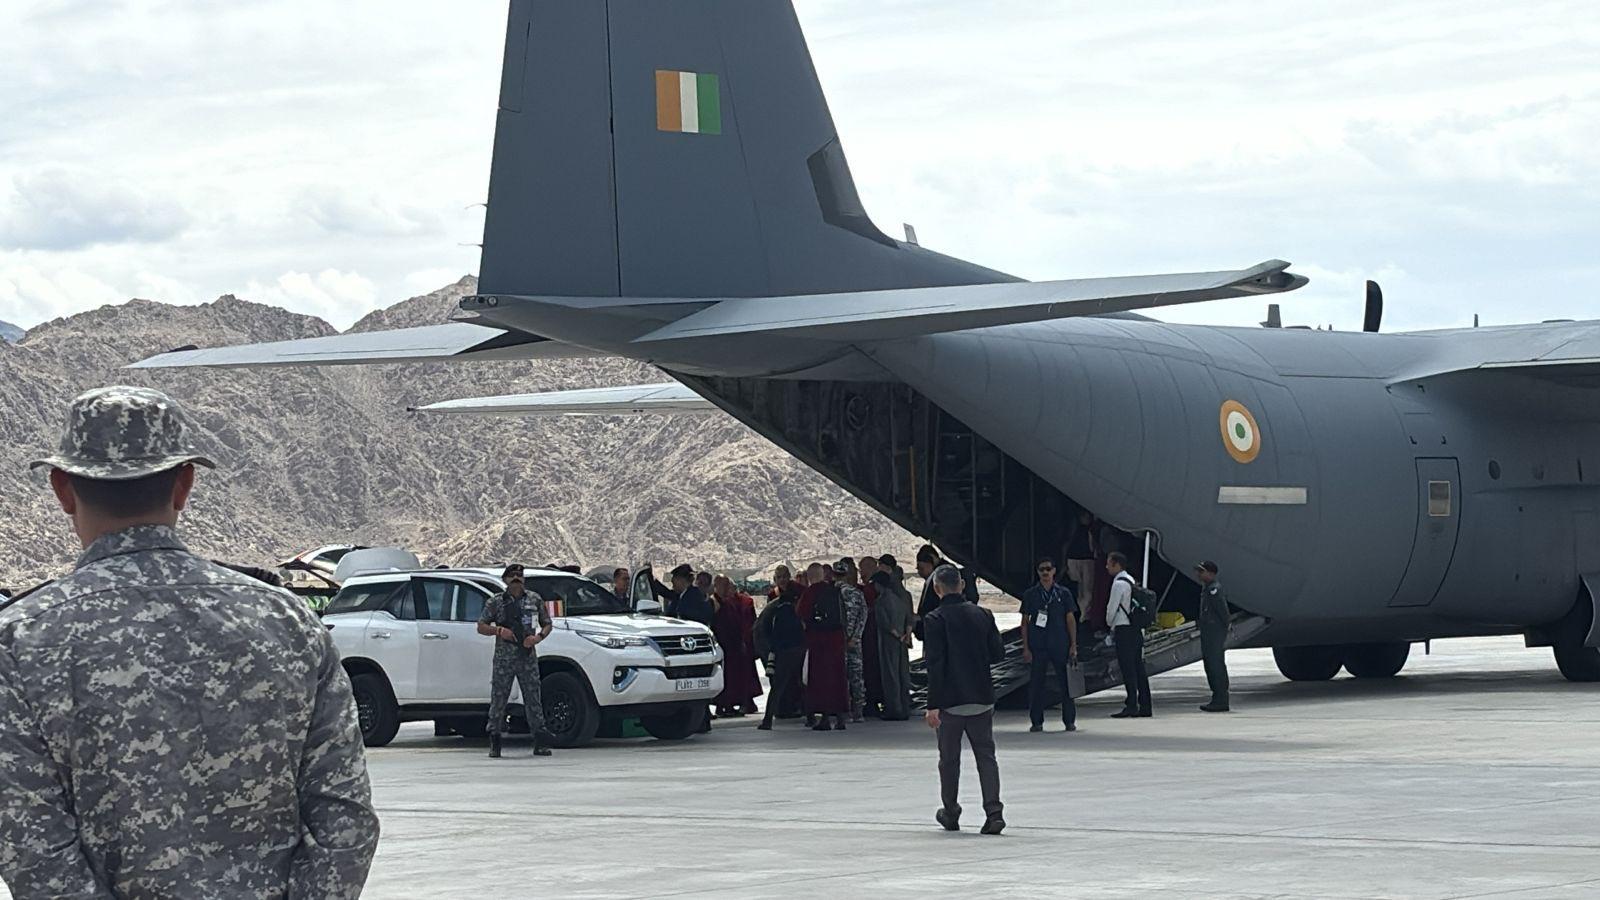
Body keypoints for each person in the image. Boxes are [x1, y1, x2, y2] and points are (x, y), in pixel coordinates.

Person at [0, 386, 378, 897]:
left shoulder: (22, 639)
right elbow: (345, 821)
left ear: (62, 489)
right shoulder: (286, 620)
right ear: (185, 485)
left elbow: (32, 846)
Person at [923, 565, 1005, 835]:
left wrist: (932, 704)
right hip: (982, 697)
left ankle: (951, 810)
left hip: (950, 701)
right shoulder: (984, 614)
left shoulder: (935, 619)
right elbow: (997, 654)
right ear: (960, 585)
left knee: (949, 759)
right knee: (986, 756)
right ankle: (994, 813)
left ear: (937, 589)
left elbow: (934, 664)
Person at [478, 563, 555, 757]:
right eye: (512, 578)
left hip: (527, 655)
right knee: (499, 698)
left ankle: (540, 739)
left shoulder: (534, 599)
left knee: (533, 698)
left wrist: (537, 638)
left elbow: (547, 624)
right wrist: (498, 630)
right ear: (505, 580)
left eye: (519, 578)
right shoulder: (496, 602)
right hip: (505, 657)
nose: (516, 581)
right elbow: (481, 626)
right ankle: (494, 738)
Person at [1021, 556, 1080, 733]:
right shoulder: (1031, 595)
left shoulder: (1063, 594)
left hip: (1059, 643)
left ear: (1054, 571)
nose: (1045, 572)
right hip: (1038, 644)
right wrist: (1025, 647)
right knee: (1037, 684)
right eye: (1042, 569)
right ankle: (1036, 721)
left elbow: (1070, 619)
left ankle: (1069, 720)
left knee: (1065, 683)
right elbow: (1025, 621)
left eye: (1048, 569)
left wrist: (1073, 645)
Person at [796, 562, 849, 730]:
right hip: (837, 639)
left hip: (819, 640)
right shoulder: (835, 591)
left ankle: (825, 718)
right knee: (838, 677)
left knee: (821, 679)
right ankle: (840, 718)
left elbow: (801, 613)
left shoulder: (811, 592)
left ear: (810, 577)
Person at [1106, 551, 1153, 718]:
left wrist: (1109, 624)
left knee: (1127, 669)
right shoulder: (1131, 580)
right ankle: (1145, 704)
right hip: (1135, 628)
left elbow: (1112, 609)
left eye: (1109, 563)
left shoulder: (1118, 584)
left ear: (1117, 565)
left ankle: (1132, 704)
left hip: (1123, 629)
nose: (1106, 566)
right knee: (1138, 668)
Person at [758, 574, 807, 731]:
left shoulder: (776, 609)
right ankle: (811, 716)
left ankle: (767, 720)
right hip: (795, 650)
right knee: (802, 683)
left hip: (783, 651)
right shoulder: (792, 610)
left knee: (778, 687)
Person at [711, 575, 762, 717]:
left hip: (734, 646)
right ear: (717, 586)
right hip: (722, 646)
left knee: (735, 677)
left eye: (729, 586)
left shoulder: (730, 603)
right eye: (724, 586)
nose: (728, 589)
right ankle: (723, 705)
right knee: (726, 676)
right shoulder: (713, 602)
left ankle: (730, 704)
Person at [871, 568, 916, 720]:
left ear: (879, 585)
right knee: (903, 674)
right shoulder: (900, 599)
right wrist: (906, 636)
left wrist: (897, 635)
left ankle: (893, 710)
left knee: (890, 676)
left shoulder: (881, 601)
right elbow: (909, 618)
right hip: (903, 641)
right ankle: (905, 708)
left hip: (889, 642)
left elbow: (884, 623)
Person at [1196, 560, 1231, 712]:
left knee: (1216, 664)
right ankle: (1216, 697)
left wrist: (1224, 628)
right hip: (1208, 631)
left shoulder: (1214, 590)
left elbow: (1223, 612)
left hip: (1214, 632)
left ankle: (1221, 699)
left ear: (1211, 573)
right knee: (1209, 663)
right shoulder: (1206, 588)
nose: (1199, 574)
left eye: (1202, 571)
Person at [836, 558, 869, 722]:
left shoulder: (830, 593)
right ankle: (858, 711)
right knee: (856, 676)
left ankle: (844, 711)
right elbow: (863, 617)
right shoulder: (857, 594)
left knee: (840, 676)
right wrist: (855, 637)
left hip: (837, 642)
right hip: (853, 642)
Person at [858, 556, 884, 717]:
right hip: (873, 636)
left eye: (862, 569)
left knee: (872, 669)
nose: (861, 573)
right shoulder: (870, 588)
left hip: (871, 636)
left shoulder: (870, 589)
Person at [1063, 511, 1098, 622]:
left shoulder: (1089, 530)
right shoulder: (1076, 529)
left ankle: (1083, 614)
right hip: (1078, 559)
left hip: (1083, 559)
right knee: (1081, 588)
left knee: (1085, 589)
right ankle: (1081, 613)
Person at [653, 563, 713, 627]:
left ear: (681, 580)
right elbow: (665, 592)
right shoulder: (682, 595)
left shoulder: (694, 596)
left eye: (673, 582)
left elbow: (688, 617)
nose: (673, 586)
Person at [912, 544, 947, 639]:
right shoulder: (933, 577)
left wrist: (923, 619)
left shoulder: (942, 577)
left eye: (921, 568)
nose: (919, 572)